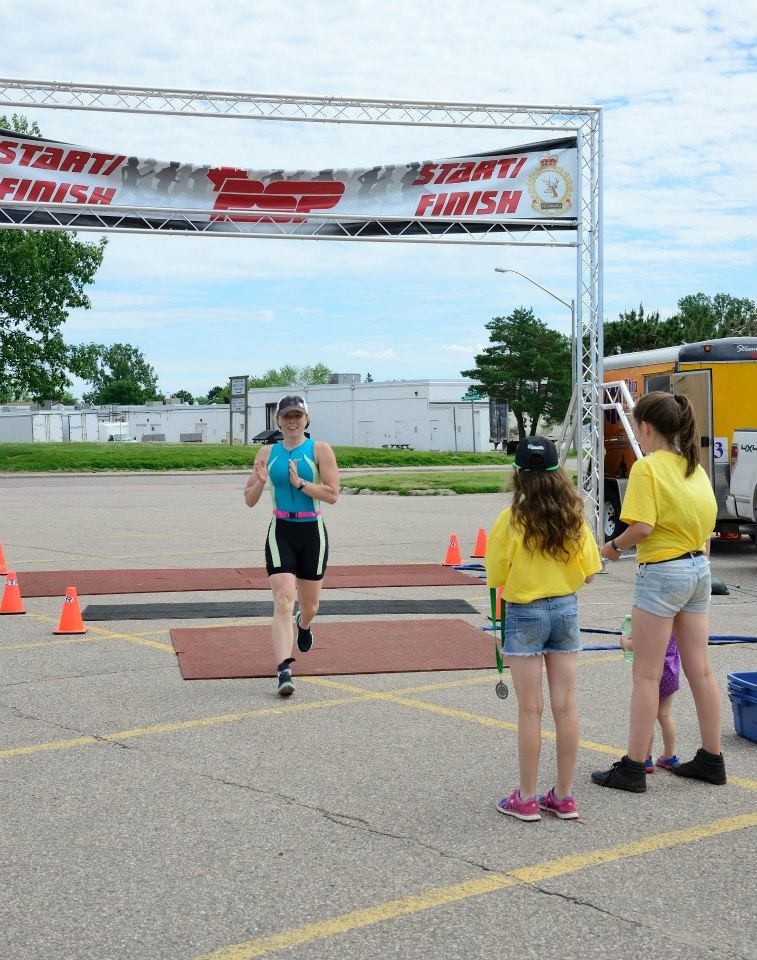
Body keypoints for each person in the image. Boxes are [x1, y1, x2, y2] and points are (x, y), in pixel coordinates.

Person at [593, 391, 724, 792]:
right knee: (701, 669)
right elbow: (707, 527)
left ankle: (633, 767)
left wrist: (612, 548)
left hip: (663, 573)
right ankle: (711, 759)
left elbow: (642, 528)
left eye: (636, 427)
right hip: (698, 569)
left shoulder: (647, 468)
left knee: (646, 675)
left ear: (646, 427)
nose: (636, 433)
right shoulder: (695, 469)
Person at [486, 436, 602, 822]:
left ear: (518, 474)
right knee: (565, 705)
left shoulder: (510, 520)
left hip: (524, 613)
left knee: (529, 708)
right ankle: (564, 796)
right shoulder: (573, 517)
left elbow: (496, 575)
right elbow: (590, 573)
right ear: (558, 473)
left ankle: (527, 798)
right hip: (565, 609)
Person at [243, 395, 339, 696]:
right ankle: (284, 670)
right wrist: (261, 482)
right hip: (281, 530)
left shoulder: (320, 449)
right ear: (278, 421)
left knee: (310, 606)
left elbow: (332, 494)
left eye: (297, 416)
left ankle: (305, 624)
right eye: (286, 416)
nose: (292, 421)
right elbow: (248, 499)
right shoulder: (267, 452)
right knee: (283, 600)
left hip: (312, 532)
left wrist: (301, 484)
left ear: (306, 419)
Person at [620, 630, 682, 772]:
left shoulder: (653, 619)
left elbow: (637, 644)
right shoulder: (672, 623)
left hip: (652, 673)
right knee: (665, 715)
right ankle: (669, 756)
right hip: (671, 671)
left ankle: (646, 758)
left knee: (647, 718)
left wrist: (624, 643)